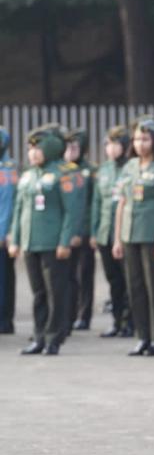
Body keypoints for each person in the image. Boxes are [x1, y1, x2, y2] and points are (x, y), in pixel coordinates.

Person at [8, 125, 82, 354]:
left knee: (55, 292)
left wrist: (65, 241)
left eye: (37, 148)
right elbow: (19, 209)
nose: (32, 153)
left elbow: (72, 211)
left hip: (53, 243)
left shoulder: (65, 173)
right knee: (38, 293)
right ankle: (38, 336)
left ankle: (54, 337)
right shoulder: (28, 175)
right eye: (30, 149)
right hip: (32, 242)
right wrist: (15, 239)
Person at [113, 118, 154, 357]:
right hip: (130, 233)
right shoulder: (129, 166)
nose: (141, 144)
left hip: (152, 234)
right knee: (136, 287)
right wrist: (118, 238)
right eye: (137, 139)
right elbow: (122, 202)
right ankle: (142, 336)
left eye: (146, 139)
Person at [91, 125, 133, 338]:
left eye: (116, 144)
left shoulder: (131, 168)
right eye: (108, 144)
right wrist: (94, 230)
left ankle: (130, 321)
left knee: (129, 280)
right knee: (113, 280)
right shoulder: (104, 170)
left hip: (125, 233)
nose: (111, 149)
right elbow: (97, 202)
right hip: (105, 232)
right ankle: (117, 320)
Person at [64, 128, 96, 332]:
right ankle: (69, 313)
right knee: (67, 277)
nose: (71, 150)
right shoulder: (62, 170)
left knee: (84, 275)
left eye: (75, 147)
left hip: (84, 230)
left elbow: (94, 203)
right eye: (68, 147)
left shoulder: (90, 171)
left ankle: (84, 315)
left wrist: (91, 231)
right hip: (66, 231)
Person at [0, 127, 18, 334]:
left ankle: (5, 320)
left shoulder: (9, 170)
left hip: (3, 235)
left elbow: (9, 205)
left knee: (4, 280)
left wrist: (5, 232)